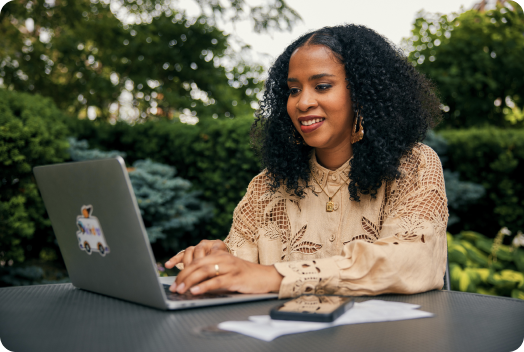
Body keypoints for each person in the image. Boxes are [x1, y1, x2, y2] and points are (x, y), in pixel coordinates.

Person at [165, 24, 448, 298]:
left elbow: (414, 259)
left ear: (361, 95)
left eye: (322, 86)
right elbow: (241, 263)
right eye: (294, 90)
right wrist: (214, 259)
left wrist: (275, 277)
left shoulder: (413, 166)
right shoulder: (268, 186)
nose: (302, 103)